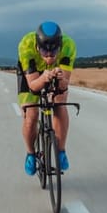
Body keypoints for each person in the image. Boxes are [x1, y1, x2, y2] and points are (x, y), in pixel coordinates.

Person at [17, 21, 77, 175]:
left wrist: (60, 79)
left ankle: (61, 150)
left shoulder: (69, 46)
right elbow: (33, 86)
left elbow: (63, 86)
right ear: (37, 46)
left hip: (56, 72)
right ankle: (31, 154)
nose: (49, 56)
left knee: (60, 103)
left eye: (54, 51)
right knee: (31, 114)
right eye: (44, 51)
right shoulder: (26, 45)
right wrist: (44, 78)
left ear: (60, 46)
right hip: (33, 75)